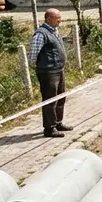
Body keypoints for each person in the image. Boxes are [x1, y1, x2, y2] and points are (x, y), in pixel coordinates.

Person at [28, 8, 71, 138]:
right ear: (49, 19)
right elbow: (33, 53)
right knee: (50, 100)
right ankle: (49, 128)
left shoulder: (54, 31)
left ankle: (58, 122)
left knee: (60, 98)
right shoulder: (41, 34)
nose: (60, 20)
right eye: (57, 18)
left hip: (58, 70)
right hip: (48, 72)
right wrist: (38, 66)